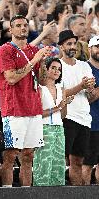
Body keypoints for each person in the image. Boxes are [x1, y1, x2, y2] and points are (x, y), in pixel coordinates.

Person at [0, 14, 52, 187]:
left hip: (33, 109)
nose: (23, 28)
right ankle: (7, 192)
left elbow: (42, 81)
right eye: (18, 25)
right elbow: (11, 78)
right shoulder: (5, 50)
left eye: (25, 25)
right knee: (11, 154)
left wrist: (42, 62)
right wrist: (35, 59)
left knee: (29, 155)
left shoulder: (34, 51)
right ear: (10, 30)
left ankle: (27, 193)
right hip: (14, 110)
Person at [59, 30, 95, 185]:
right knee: (61, 160)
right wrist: (81, 86)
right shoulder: (57, 66)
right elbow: (59, 94)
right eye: (69, 44)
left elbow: (90, 95)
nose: (72, 47)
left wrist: (91, 88)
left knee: (79, 162)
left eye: (74, 43)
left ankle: (77, 193)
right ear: (61, 47)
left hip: (84, 119)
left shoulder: (84, 66)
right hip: (67, 117)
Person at [33, 56, 74, 186]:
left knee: (58, 163)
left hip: (59, 128)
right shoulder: (40, 88)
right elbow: (37, 113)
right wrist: (58, 107)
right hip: (44, 128)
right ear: (46, 69)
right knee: (44, 163)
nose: (56, 71)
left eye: (59, 69)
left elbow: (62, 115)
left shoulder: (62, 89)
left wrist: (65, 104)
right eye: (53, 68)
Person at [82, 35, 99, 185]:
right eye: (97, 47)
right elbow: (89, 98)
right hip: (91, 124)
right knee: (86, 165)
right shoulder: (84, 68)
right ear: (90, 49)